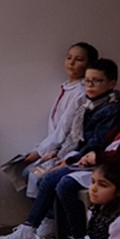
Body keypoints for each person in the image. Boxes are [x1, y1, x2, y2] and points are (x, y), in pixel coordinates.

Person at [1, 68, 120, 239]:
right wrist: (75, 158)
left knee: (63, 183)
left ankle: (78, 238)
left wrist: (96, 158)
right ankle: (38, 230)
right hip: (102, 161)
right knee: (48, 177)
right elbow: (103, 143)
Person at [0, 58, 120, 239]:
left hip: (93, 162)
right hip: (76, 156)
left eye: (97, 81)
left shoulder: (110, 110)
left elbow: (96, 143)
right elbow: (74, 137)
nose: (90, 85)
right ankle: (38, 227)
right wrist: (58, 152)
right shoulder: (88, 106)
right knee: (37, 172)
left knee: (54, 179)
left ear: (111, 84)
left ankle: (72, 236)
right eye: (87, 81)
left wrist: (70, 159)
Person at [17, 43, 97, 201]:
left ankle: (47, 215)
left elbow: (65, 128)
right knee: (26, 172)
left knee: (34, 175)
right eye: (69, 58)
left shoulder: (80, 93)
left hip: (66, 150)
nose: (71, 63)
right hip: (54, 148)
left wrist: (41, 152)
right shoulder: (68, 88)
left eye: (79, 59)